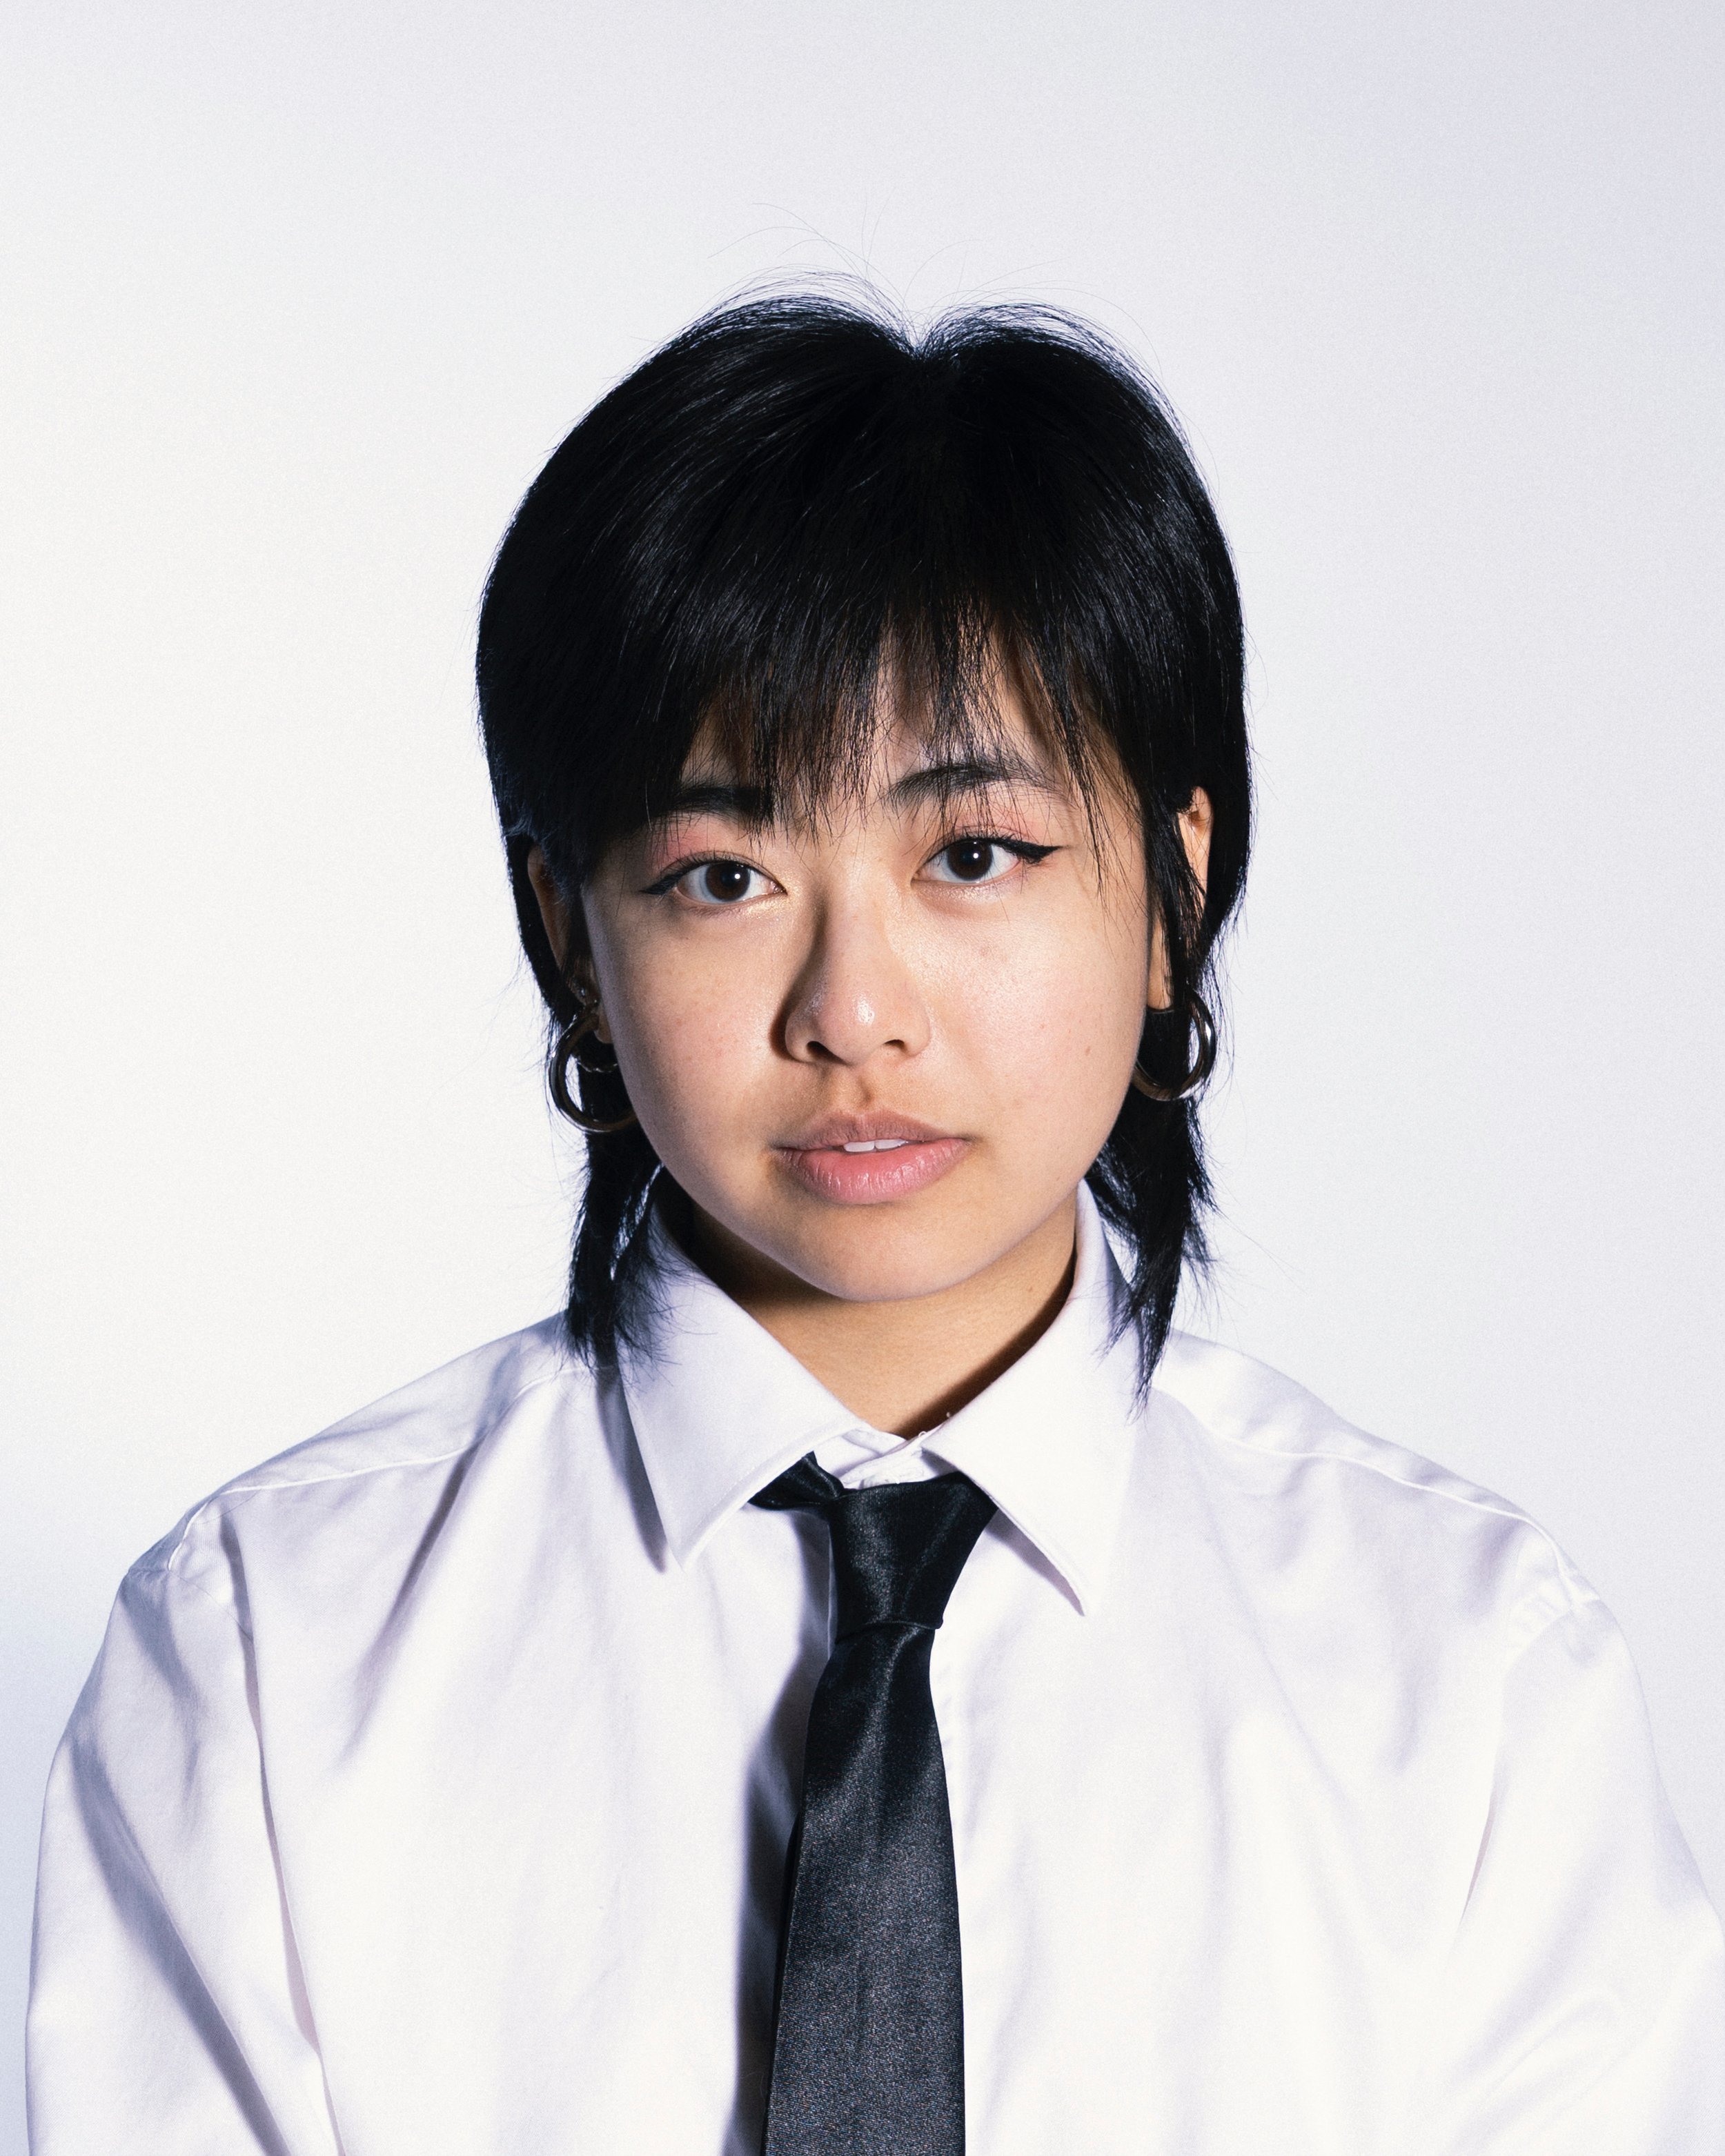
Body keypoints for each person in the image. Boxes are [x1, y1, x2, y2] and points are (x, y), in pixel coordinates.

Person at [27, 293, 1724, 2156]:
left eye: (972, 855)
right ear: (565, 939)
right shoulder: (270, 1656)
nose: (854, 1006)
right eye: (722, 874)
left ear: (1174, 885)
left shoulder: (1471, 1682)